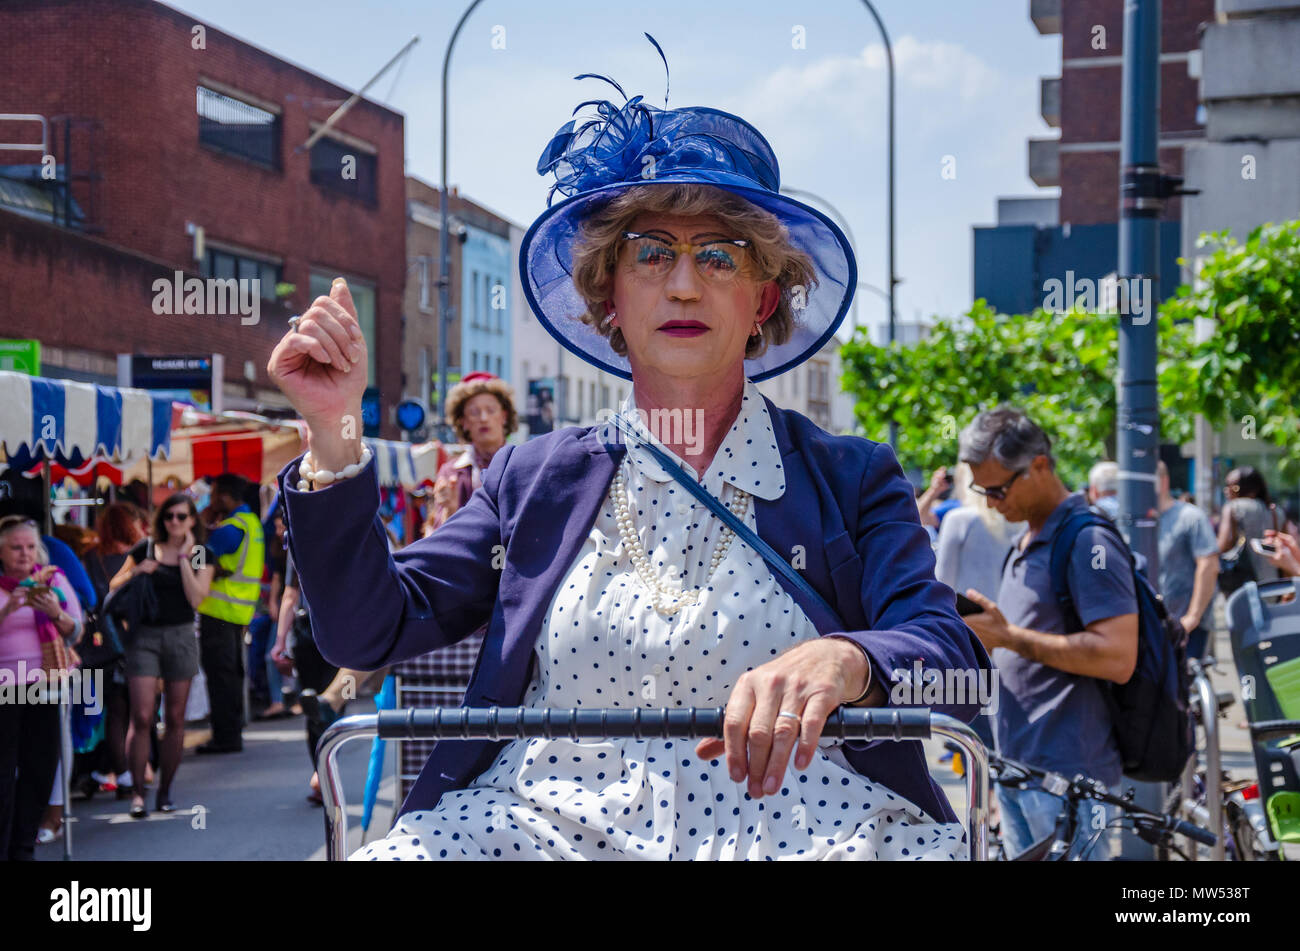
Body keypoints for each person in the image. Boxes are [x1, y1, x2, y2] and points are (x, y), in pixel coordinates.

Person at [268, 49, 988, 861]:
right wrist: (334, 433)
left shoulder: (849, 476)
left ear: (764, 301)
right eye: (651, 253)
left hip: (806, 833)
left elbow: (950, 653)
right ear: (609, 298)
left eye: (719, 256)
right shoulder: (532, 477)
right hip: (545, 827)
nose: (683, 284)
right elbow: (369, 631)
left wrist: (848, 656)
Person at [958, 407, 1138, 861]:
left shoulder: (1087, 541)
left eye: (998, 489)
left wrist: (1009, 638)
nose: (992, 502)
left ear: (1039, 465)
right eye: (982, 491)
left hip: (1068, 779)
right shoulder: (1029, 538)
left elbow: (1117, 657)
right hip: (1021, 770)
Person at [110, 494, 215, 817]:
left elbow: (197, 598)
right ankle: (138, 794)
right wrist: (138, 570)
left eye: (181, 516)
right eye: (169, 516)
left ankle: (166, 791)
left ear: (192, 520)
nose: (174, 522)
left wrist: (183, 558)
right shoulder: (145, 547)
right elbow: (114, 587)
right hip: (144, 637)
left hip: (181, 636)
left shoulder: (199, 553)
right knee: (141, 716)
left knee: (174, 719)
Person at [0, 515, 83, 860]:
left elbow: (75, 631)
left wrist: (55, 612)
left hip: (45, 685)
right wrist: (8, 610)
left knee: (39, 768)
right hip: (5, 687)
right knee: (3, 775)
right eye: (16, 547)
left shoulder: (53, 580)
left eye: (31, 547)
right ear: (1, 551)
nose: (24, 554)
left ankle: (23, 848)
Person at [194, 473, 265, 753]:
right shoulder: (251, 523)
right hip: (238, 612)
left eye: (212, 495)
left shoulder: (230, 528)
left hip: (220, 611)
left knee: (221, 678)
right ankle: (231, 733)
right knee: (231, 677)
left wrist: (200, 532)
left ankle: (225, 737)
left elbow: (200, 557)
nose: (210, 501)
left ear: (224, 496)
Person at [423, 371, 518, 535]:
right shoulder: (450, 472)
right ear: (463, 422)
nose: (483, 418)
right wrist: (449, 509)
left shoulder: (522, 464)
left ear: (504, 416)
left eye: (491, 410)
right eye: (474, 412)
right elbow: (435, 540)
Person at [1155, 461, 1219, 661]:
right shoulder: (1136, 521)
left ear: (1163, 482)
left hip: (1187, 626)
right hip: (1152, 626)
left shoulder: (1190, 517)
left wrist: (1193, 617)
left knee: (1188, 683)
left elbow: (1208, 565)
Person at [1218, 466, 1285, 590]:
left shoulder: (1233, 507)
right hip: (1274, 583)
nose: (1227, 491)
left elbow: (1225, 543)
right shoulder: (1276, 511)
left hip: (1243, 586)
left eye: (1231, 487)